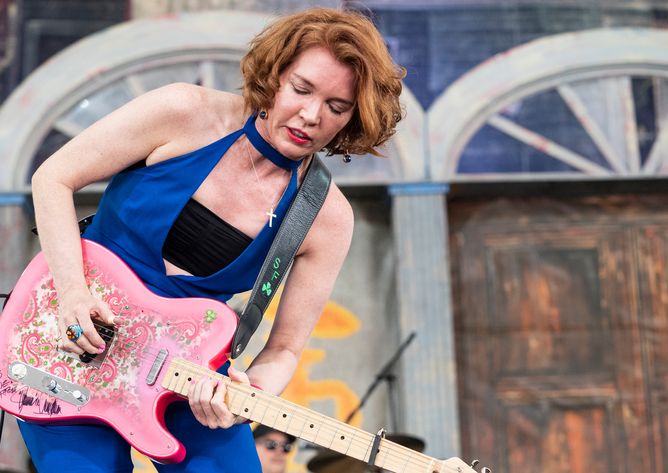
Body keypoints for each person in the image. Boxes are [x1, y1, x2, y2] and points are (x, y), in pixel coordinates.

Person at [23, 7, 404, 473]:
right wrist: (72, 295)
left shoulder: (325, 216)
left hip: (191, 378)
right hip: (69, 343)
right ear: (275, 75)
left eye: (336, 107)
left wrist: (247, 395)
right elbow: (54, 178)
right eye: (301, 89)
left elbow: (282, 351)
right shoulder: (181, 111)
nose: (310, 114)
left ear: (353, 118)